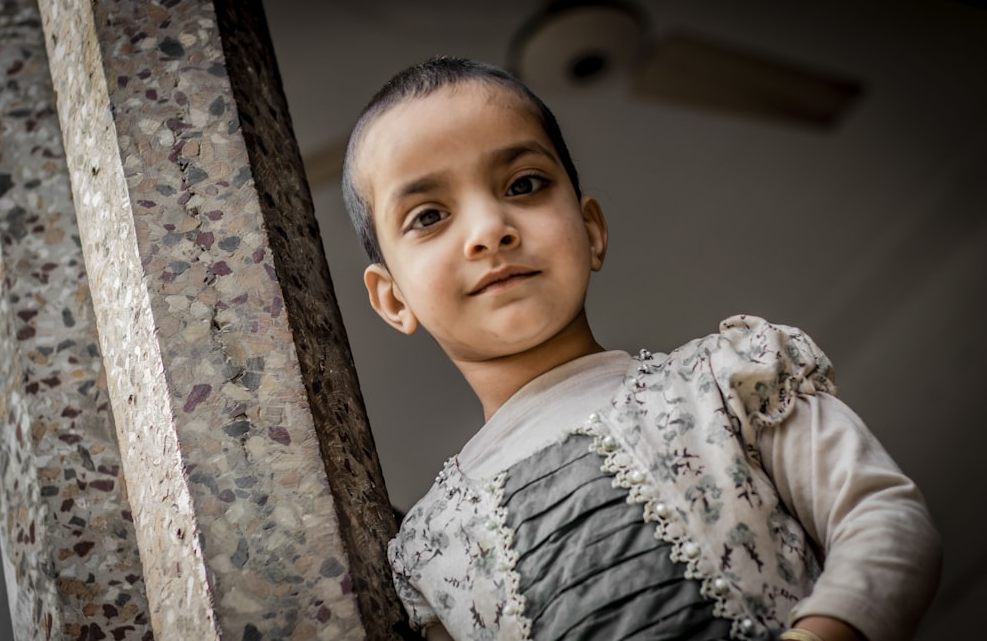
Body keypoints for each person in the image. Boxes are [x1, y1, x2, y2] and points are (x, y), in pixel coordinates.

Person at [340, 56, 941, 641]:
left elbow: (883, 521)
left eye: (523, 184)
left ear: (591, 229)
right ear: (394, 299)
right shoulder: (430, 550)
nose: (488, 229)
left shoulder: (728, 379)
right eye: (428, 215)